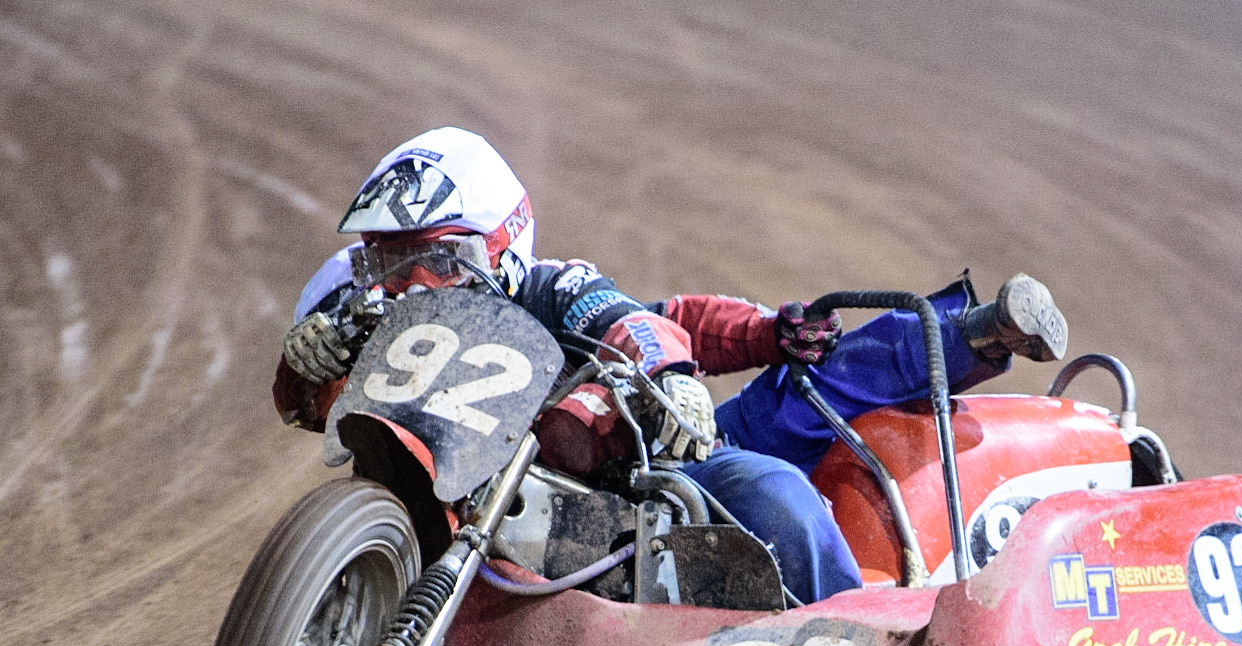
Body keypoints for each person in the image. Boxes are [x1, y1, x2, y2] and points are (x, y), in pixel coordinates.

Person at [277, 126, 1066, 603]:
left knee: (784, 470)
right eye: (388, 260)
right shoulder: (369, 306)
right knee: (788, 398)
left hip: (648, 469)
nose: (405, 281)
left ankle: (866, 645)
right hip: (496, 498)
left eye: (431, 258)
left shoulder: (555, 286)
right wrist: (307, 368)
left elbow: (641, 325)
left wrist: (678, 384)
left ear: (497, 243)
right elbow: (318, 407)